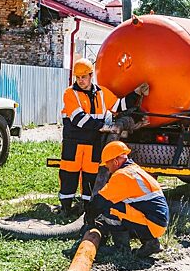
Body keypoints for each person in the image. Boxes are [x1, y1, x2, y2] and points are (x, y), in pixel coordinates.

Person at [59, 58, 149, 215]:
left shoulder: (102, 93)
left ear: (91, 75)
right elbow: (78, 119)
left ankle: (87, 207)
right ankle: (66, 207)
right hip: (73, 143)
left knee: (91, 175)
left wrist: (136, 93)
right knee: (69, 174)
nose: (80, 81)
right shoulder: (70, 94)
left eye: (83, 77)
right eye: (78, 77)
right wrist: (103, 127)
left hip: (94, 143)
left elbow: (118, 105)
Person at [86, 141, 170, 257]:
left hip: (152, 224)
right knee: (117, 205)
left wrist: (89, 219)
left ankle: (121, 248)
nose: (108, 168)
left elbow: (100, 202)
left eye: (108, 164)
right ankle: (151, 242)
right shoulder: (134, 169)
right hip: (156, 223)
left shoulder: (122, 175)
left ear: (115, 161)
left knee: (110, 208)